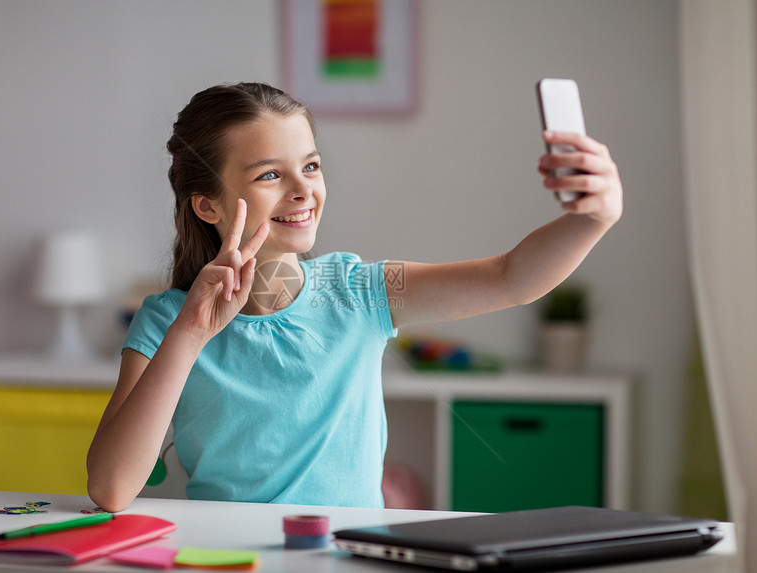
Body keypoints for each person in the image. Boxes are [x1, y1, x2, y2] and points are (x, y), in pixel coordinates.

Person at [86, 82, 623, 513]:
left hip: (346, 556)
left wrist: (595, 218)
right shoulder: (167, 322)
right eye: (270, 174)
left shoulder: (359, 291)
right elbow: (111, 488)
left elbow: (513, 278)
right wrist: (191, 333)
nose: (303, 190)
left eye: (311, 166)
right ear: (208, 206)